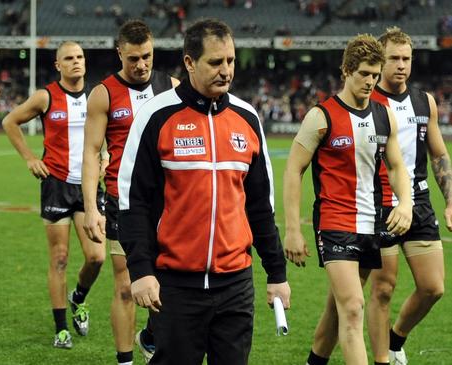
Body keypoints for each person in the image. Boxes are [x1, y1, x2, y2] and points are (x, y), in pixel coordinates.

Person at [117, 18, 290, 365]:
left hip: (235, 286)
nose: (225, 71)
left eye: (230, 61)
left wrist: (277, 273)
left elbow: (260, 206)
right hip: (175, 287)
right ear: (189, 62)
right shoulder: (156, 115)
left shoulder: (247, 117)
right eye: (215, 62)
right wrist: (141, 271)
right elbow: (132, 201)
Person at [299, 27, 450, 365]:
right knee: (369, 295)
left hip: (417, 202)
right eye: (393, 58)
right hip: (373, 206)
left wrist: (449, 199)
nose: (400, 65)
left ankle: (394, 341)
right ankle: (380, 357)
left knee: (433, 287)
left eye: (406, 59)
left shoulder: (423, 102)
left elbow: (439, 154)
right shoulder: (365, 102)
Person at [283, 34, 413, 365]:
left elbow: (397, 166)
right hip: (334, 222)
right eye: (364, 74)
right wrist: (294, 230)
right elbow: (293, 170)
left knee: (338, 309)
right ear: (347, 71)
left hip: (371, 222)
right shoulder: (321, 116)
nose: (370, 81)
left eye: (374, 74)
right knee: (353, 307)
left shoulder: (385, 115)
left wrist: (406, 202)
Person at [82, 19, 178, 365]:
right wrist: (91, 208)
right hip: (122, 202)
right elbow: (92, 153)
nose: (141, 65)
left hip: (169, 205)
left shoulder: (172, 88)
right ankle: (124, 361)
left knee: (169, 283)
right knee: (126, 284)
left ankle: (151, 337)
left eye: (147, 57)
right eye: (133, 58)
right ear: (119, 52)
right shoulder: (104, 94)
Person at [1, 41, 106, 349]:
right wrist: (30, 158)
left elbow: (113, 131)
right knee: (59, 258)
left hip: (87, 186)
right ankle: (61, 330)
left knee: (97, 257)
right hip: (56, 184)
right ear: (58, 65)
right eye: (69, 58)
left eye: (80, 57)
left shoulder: (97, 96)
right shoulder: (46, 96)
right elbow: (10, 121)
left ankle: (79, 297)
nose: (76, 62)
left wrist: (109, 157)